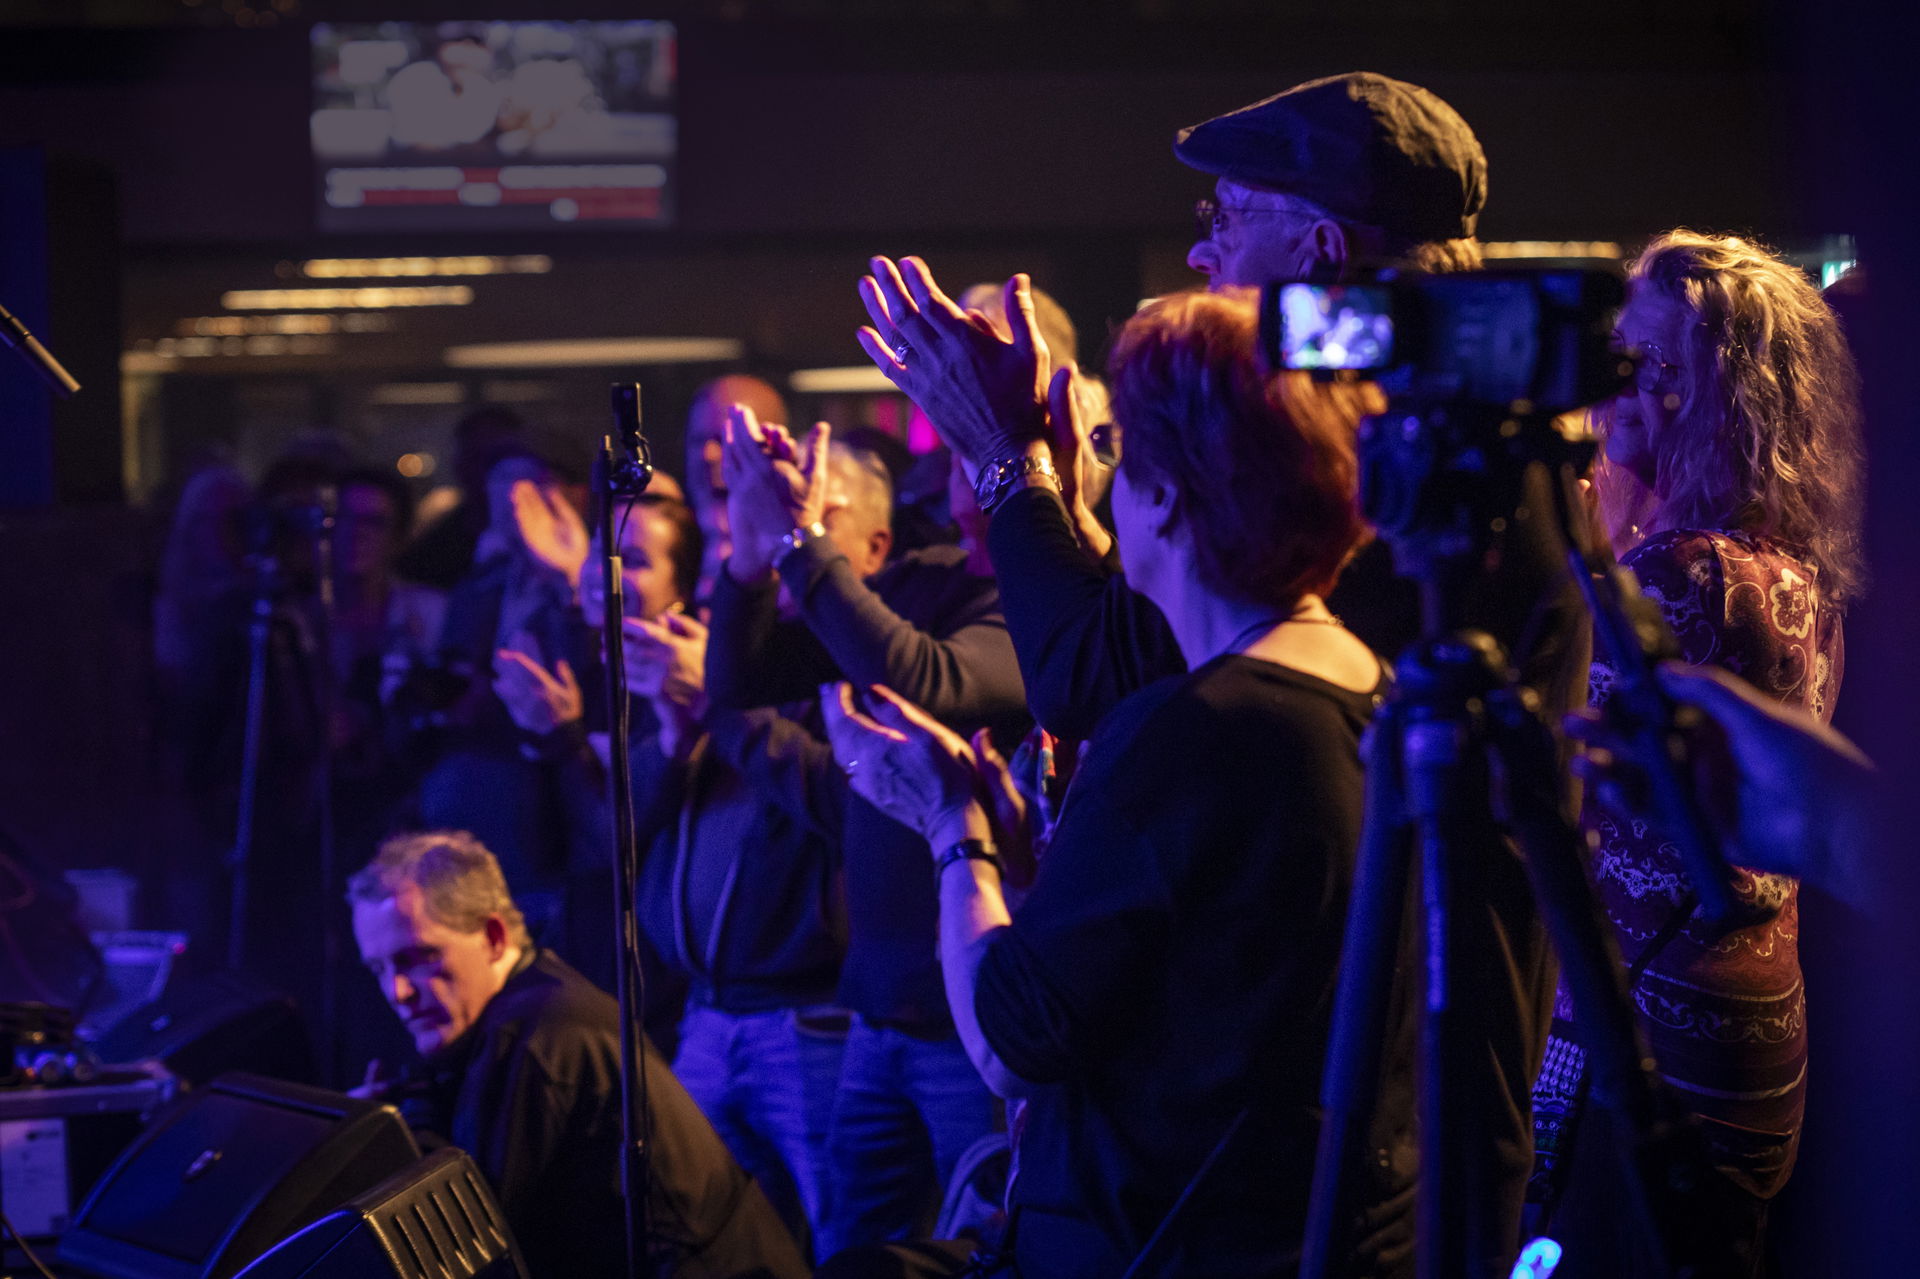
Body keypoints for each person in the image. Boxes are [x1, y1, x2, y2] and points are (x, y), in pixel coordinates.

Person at [852, 74, 1581, 1257]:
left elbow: (1098, 673)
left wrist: (1006, 462)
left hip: (1334, 1126)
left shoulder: (1389, 455)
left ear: (1325, 250)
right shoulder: (1473, 409)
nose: (1203, 252)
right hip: (1371, 1059)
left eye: (1229, 218)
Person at [820, 288, 1410, 1278]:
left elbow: (1011, 1039)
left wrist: (954, 829)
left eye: (1120, 456)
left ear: (1167, 496)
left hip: (1159, 1245)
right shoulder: (1374, 689)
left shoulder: (1189, 731)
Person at [1528, 231, 1866, 1276]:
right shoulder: (1781, 559)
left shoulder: (1684, 573)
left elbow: (1563, 788)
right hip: (1742, 1024)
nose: (1616, 390)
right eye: (1618, 358)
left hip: (1654, 1044)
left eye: (1653, 365)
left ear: (1723, 394)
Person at [707, 416, 1028, 1257]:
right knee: (853, 1245)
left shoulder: (980, 600)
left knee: (985, 1244)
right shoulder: (888, 594)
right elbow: (736, 680)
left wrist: (798, 538)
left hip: (969, 1027)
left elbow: (925, 679)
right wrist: (750, 555)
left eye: (820, 509)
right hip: (877, 1014)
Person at [346, 829, 808, 1279]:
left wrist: (386, 1145)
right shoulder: (533, 1003)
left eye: (418, 957)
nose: (397, 991)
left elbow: (476, 1238)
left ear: (492, 936)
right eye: (379, 968)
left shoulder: (543, 1041)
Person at [685, 376, 790, 606]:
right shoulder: (677, 528)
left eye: (722, 439)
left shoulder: (788, 541)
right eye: (696, 441)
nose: (708, 454)